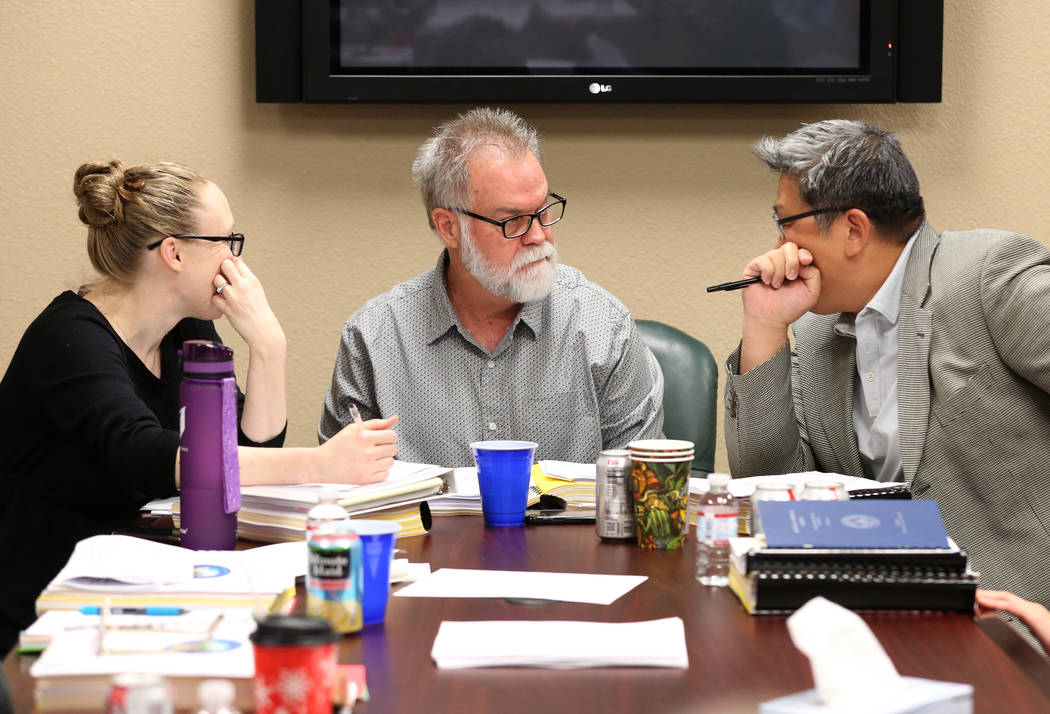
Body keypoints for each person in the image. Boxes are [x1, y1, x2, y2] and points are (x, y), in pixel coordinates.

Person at [0, 160, 398, 657]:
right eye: (226, 243)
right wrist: (319, 463)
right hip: (48, 616)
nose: (236, 263)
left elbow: (241, 454)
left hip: (140, 591)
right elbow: (152, 454)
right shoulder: (69, 340)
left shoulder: (185, 329)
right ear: (174, 253)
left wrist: (269, 345)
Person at [723, 119, 1050, 616]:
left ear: (853, 229)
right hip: (869, 610)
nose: (779, 247)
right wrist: (765, 328)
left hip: (1011, 617)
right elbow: (769, 491)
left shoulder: (989, 275)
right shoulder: (815, 333)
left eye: (786, 223)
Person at [318, 107, 663, 465]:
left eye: (543, 210)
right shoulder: (374, 338)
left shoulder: (602, 327)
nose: (538, 236)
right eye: (512, 220)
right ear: (449, 227)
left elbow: (645, 489)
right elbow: (341, 491)